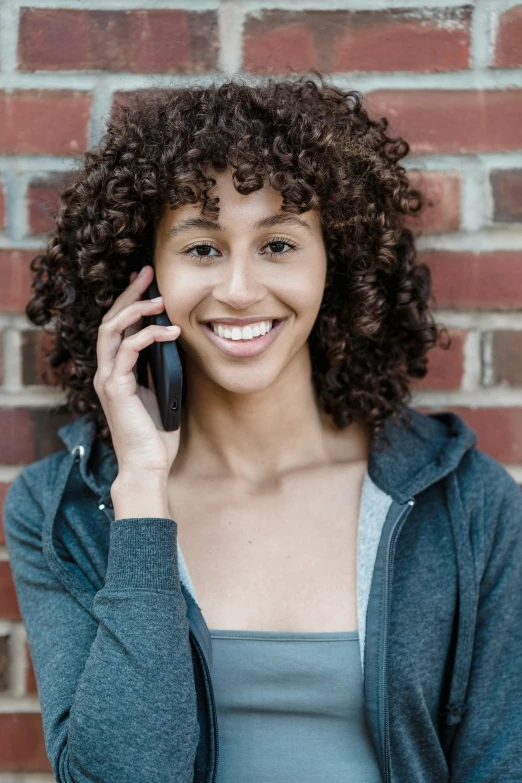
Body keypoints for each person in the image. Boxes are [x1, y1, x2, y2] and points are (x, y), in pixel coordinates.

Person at [3, 71, 522, 783]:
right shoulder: (61, 507)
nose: (241, 289)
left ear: (331, 264)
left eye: (278, 244)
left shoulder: (466, 505)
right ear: (145, 279)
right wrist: (144, 493)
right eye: (202, 248)